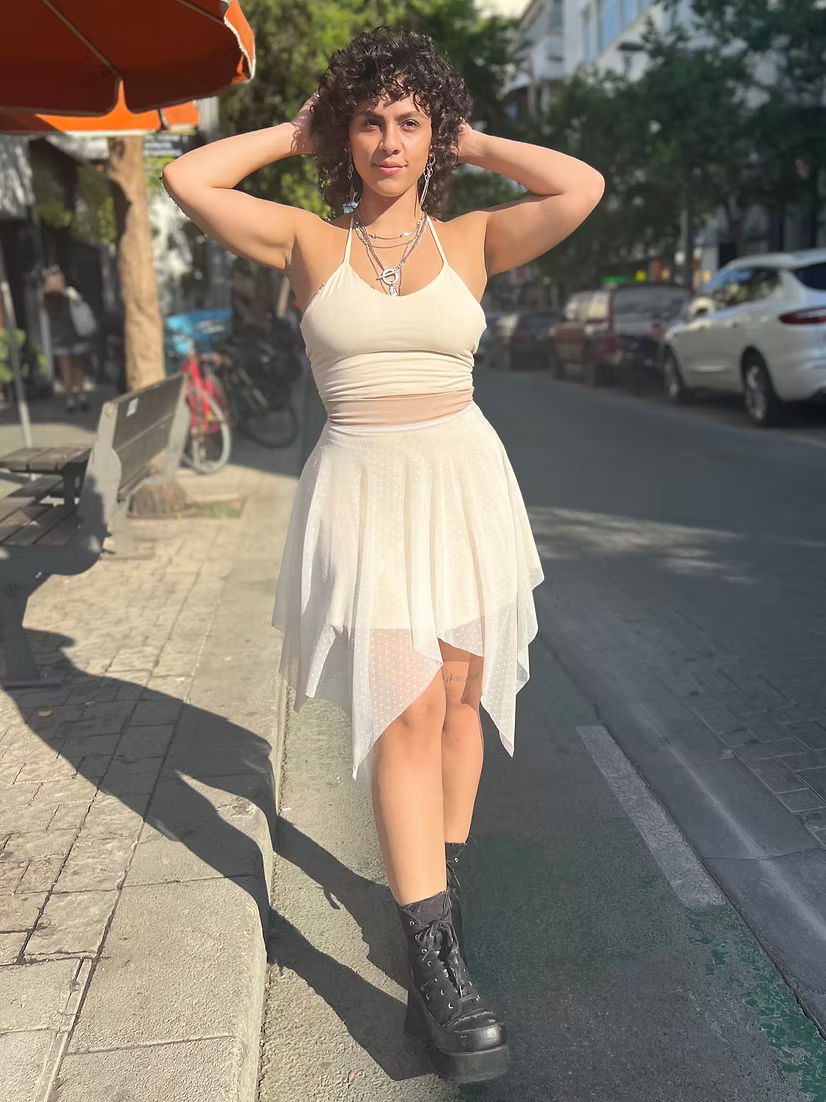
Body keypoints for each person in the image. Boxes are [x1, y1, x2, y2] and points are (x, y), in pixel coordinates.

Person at [163, 26, 603, 1084]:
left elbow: (581, 186)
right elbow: (186, 177)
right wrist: (297, 129)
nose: (391, 140)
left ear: (432, 133)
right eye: (371, 121)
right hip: (365, 493)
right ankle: (440, 968)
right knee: (404, 710)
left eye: (410, 121)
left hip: (463, 488)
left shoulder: (473, 240)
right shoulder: (307, 242)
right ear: (346, 135)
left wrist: (474, 140)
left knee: (456, 703)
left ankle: (430, 903)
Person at [41, 266, 94, 413]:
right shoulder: (69, 294)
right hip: (74, 334)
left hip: (59, 338)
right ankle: (82, 397)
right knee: (77, 367)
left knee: (65, 370)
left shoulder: (47, 298)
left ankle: (69, 400)